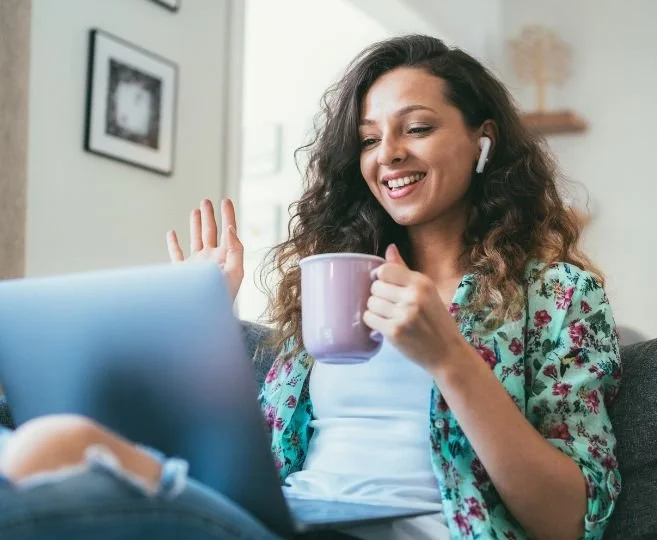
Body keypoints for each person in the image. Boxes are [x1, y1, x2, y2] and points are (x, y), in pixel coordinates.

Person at [0, 34, 621, 540]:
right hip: (287, 521)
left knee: (55, 445)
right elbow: (246, 460)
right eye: (370, 139)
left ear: (482, 139)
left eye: (418, 128)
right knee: (45, 444)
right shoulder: (333, 285)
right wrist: (201, 332)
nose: (389, 155)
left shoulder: (556, 296)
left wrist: (450, 358)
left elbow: (568, 519)